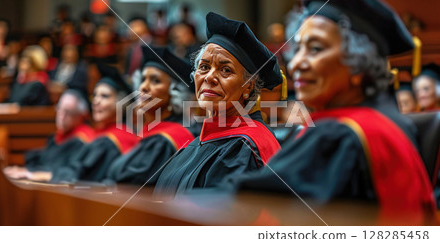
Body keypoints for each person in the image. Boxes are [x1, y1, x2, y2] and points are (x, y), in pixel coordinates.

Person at [229, 0, 436, 224]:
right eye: (297, 49)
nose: (297, 62)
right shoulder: (389, 124)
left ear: (359, 64)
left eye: (316, 48)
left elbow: (254, 204)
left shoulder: (340, 135)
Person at [153, 12, 282, 198]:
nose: (209, 77)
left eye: (225, 70)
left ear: (248, 86)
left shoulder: (244, 148)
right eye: (204, 67)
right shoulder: (202, 139)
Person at [104, 46, 195, 185]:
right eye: (143, 79)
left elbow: (130, 186)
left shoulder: (165, 141)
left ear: (175, 92)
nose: (144, 87)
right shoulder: (148, 134)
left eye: (155, 81)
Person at [51, 64, 138, 183]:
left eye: (105, 96)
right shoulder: (98, 134)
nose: (96, 101)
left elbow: (82, 177)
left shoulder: (114, 140)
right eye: (95, 95)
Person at [3, 90, 94, 180]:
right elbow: (46, 164)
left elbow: (70, 172)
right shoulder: (58, 136)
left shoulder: (83, 140)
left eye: (68, 112)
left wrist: (32, 174)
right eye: (59, 108)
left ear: (81, 115)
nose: (61, 115)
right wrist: (27, 170)